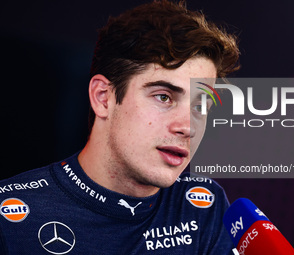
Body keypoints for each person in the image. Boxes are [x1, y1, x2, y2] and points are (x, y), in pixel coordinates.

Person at [0, 0, 239, 254]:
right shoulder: (10, 218)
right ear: (103, 98)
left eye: (200, 105)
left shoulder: (204, 206)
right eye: (164, 97)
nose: (187, 127)